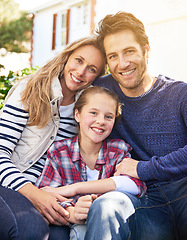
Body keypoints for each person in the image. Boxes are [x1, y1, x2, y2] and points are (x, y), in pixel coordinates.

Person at [83, 11, 187, 240]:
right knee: (106, 206)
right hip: (140, 197)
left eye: (129, 51)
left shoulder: (180, 94)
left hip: (184, 191)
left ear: (146, 49)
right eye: (113, 56)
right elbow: (66, 87)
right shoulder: (101, 93)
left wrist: (142, 168)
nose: (123, 63)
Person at [0, 36, 106, 240]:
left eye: (92, 69)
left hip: (49, 194)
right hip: (8, 184)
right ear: (67, 58)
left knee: (61, 237)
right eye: (79, 60)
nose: (81, 72)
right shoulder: (29, 90)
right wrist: (35, 195)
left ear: (97, 77)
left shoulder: (85, 112)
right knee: (32, 231)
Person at [35, 86, 146, 240]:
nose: (100, 121)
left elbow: (137, 186)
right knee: (80, 232)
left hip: (111, 224)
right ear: (77, 114)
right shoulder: (59, 151)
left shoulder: (118, 149)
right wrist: (72, 210)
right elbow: (44, 195)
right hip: (75, 224)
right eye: (93, 113)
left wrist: (75, 189)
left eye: (109, 117)